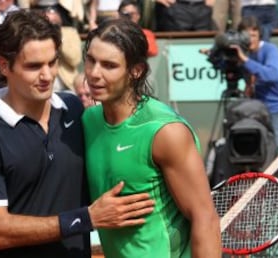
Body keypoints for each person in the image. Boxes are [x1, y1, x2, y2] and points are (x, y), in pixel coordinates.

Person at [0, 9, 155, 258]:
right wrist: (87, 218)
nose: (47, 75)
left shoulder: (74, 109)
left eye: (52, 62)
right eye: (34, 66)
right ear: (5, 66)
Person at [82, 18, 221, 258]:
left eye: (109, 65)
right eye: (91, 60)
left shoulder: (166, 132)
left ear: (136, 70)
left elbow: (205, 219)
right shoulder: (89, 120)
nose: (95, 73)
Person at [232, 16, 278, 148]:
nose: (250, 39)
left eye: (253, 35)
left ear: (259, 35)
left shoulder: (270, 49)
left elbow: (272, 75)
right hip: (257, 112)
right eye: (246, 36)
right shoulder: (245, 53)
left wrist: (245, 60)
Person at [44, 6, 82, 92]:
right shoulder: (38, 36)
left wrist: (60, 38)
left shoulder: (71, 33)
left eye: (54, 24)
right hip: (46, 83)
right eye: (47, 23)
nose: (51, 27)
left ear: (60, 21)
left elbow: (75, 60)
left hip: (68, 84)